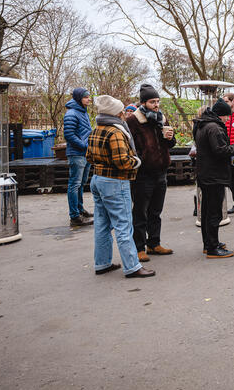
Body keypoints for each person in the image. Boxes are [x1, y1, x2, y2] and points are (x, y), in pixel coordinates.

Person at [86, 95, 155, 279]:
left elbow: (89, 157)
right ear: (115, 113)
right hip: (115, 182)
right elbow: (122, 161)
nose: (124, 113)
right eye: (121, 110)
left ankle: (102, 263)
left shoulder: (96, 130)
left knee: (102, 224)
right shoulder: (115, 132)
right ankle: (132, 266)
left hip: (98, 179)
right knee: (124, 225)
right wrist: (137, 161)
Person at [126, 84, 176, 262]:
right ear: (143, 103)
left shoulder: (161, 118)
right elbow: (129, 147)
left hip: (161, 170)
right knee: (140, 211)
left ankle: (154, 243)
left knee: (156, 210)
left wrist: (170, 138)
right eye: (152, 101)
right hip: (143, 173)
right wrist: (142, 159)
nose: (156, 105)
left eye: (157, 101)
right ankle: (139, 247)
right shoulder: (133, 120)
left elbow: (170, 144)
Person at [193, 99, 234, 259]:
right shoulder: (215, 128)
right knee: (214, 213)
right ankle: (213, 248)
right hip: (214, 176)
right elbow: (220, 150)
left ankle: (209, 243)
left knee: (207, 211)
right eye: (227, 116)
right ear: (221, 115)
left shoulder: (203, 125)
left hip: (205, 174)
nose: (228, 119)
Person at [63, 87, 94, 227]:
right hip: (77, 154)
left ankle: (80, 210)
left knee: (81, 184)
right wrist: (84, 146)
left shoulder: (83, 112)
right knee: (74, 184)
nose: (89, 99)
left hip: (85, 153)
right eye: (86, 97)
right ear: (79, 98)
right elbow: (69, 135)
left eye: (89, 96)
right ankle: (75, 216)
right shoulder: (72, 114)